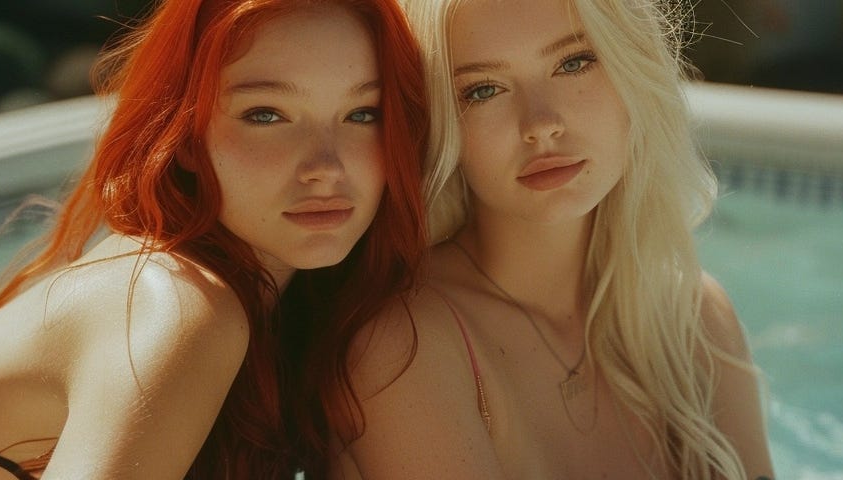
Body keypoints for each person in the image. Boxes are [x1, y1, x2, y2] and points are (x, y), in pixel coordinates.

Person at [0, 0, 427, 478]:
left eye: (364, 113)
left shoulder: (298, 301)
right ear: (182, 137)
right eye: (265, 115)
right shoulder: (177, 306)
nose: (326, 168)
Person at [329, 0, 775, 478]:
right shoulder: (404, 347)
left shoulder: (696, 317)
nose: (541, 123)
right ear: (441, 121)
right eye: (483, 89)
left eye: (573, 63)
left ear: (634, 71)